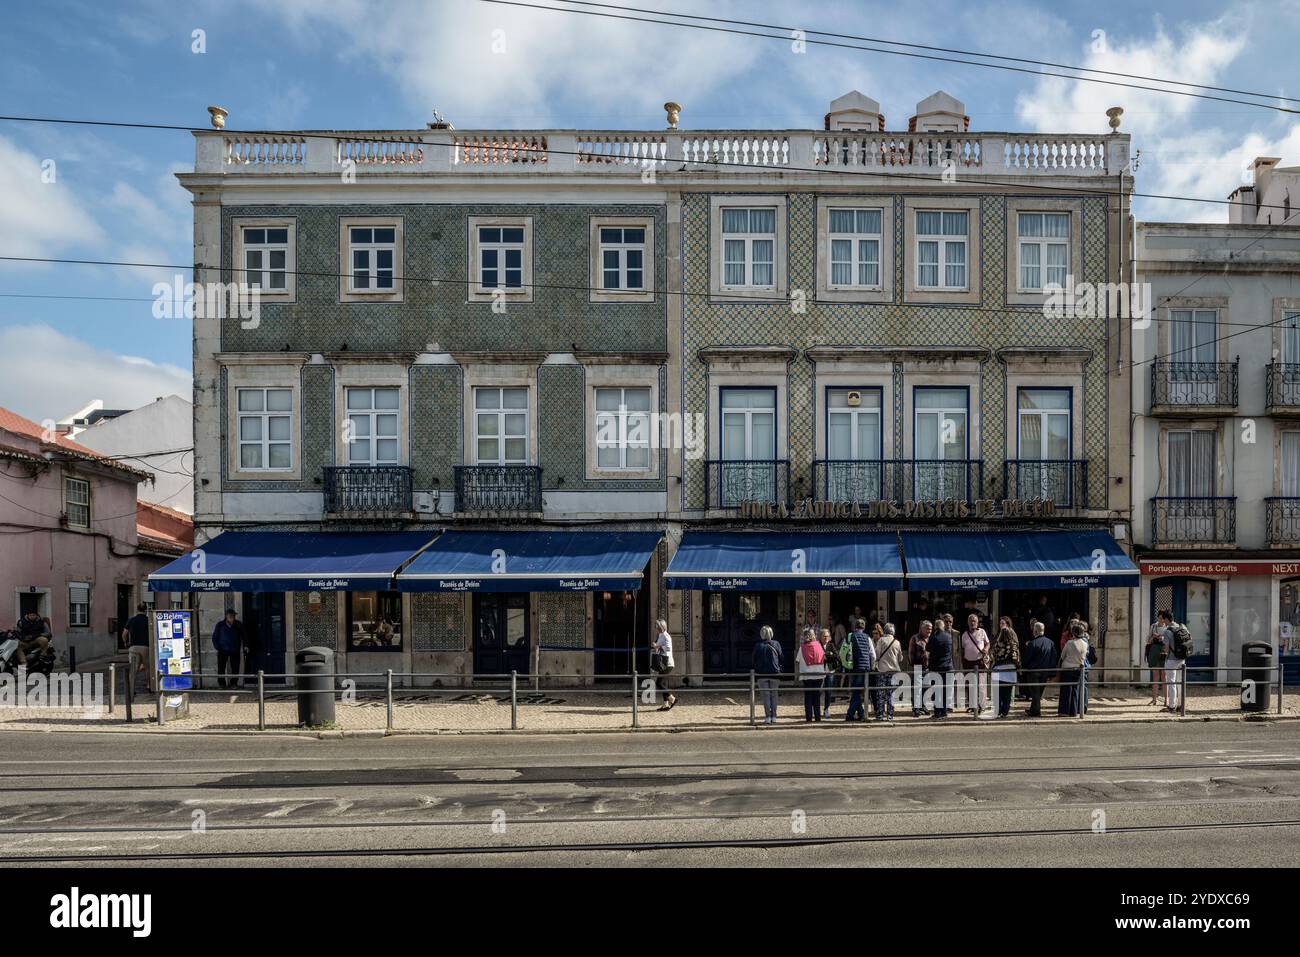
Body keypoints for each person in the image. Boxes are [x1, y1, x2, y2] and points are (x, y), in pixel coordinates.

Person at [1021, 621, 1057, 717]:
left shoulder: (1032, 643)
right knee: (1038, 693)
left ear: (1035, 631)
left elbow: (1027, 659)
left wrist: (1023, 669)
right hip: (1045, 672)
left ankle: (1036, 712)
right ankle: (1033, 710)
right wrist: (1052, 673)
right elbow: (1053, 658)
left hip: (1033, 672)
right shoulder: (1050, 643)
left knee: (1035, 693)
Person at [844, 618, 875, 722]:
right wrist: (871, 666)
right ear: (864, 627)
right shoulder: (868, 638)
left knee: (855, 691)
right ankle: (859, 715)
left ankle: (852, 714)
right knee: (857, 691)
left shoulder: (850, 636)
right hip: (864, 668)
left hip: (852, 666)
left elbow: (843, 650)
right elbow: (873, 655)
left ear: (855, 627)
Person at [989, 618, 1020, 718]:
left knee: (999, 692)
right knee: (1007, 692)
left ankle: (999, 711)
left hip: (999, 669)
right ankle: (1004, 712)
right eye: (1000, 623)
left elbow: (993, 654)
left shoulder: (998, 642)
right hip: (1008, 670)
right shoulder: (1013, 642)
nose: (1001, 625)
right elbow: (1016, 655)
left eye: (1003, 623)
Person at [121, 602, 154, 695]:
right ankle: (150, 686)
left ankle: (131, 689)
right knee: (148, 668)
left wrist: (125, 642)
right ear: (146, 610)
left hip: (133, 647)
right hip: (146, 647)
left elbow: (124, 633)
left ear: (137, 610)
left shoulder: (131, 620)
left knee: (133, 669)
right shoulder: (149, 620)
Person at [753, 624, 783, 725]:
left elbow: (754, 660)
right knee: (774, 695)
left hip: (761, 674)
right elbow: (781, 657)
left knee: (765, 696)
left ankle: (767, 717)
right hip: (775, 673)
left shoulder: (758, 646)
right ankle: (774, 716)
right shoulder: (776, 644)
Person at [1057, 621, 1089, 716]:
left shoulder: (1070, 643)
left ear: (1074, 633)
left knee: (1066, 690)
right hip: (1078, 669)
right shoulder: (1085, 644)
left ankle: (1064, 711)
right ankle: (1073, 711)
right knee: (1075, 690)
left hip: (1067, 669)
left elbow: (1063, 656)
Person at [873, 622, 903, 721]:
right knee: (891, 694)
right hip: (893, 671)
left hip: (882, 671)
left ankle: (880, 715)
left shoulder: (881, 640)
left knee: (880, 694)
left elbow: (876, 655)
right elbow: (900, 658)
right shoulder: (897, 642)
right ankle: (890, 715)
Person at [960, 613, 990, 713]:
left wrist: (986, 649)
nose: (972, 623)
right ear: (968, 622)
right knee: (970, 685)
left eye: (974, 621)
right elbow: (963, 649)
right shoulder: (964, 635)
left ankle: (982, 706)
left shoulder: (982, 631)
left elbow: (987, 643)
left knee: (981, 685)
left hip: (980, 661)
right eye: (971, 621)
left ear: (977, 622)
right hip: (968, 663)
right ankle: (972, 705)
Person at [1159, 610, 1189, 712]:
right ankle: (1181, 705)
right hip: (1182, 659)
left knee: (1171, 682)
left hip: (1171, 660)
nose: (1162, 621)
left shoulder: (1167, 631)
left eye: (1163, 619)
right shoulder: (1182, 627)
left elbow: (1166, 649)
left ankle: (1171, 706)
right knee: (1181, 682)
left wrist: (1163, 650)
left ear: (1166, 619)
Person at [796, 627, 827, 722]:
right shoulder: (819, 646)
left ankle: (808, 717)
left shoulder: (802, 648)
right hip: (818, 674)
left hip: (807, 675)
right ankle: (818, 717)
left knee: (808, 696)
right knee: (817, 696)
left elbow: (797, 660)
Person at [927, 616, 954, 719]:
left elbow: (928, 648)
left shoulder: (933, 637)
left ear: (935, 627)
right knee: (945, 691)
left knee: (936, 691)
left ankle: (937, 713)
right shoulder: (948, 636)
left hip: (936, 667)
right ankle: (944, 712)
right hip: (947, 667)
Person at [211, 608, 244, 690]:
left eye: (233, 616)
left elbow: (244, 635)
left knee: (235, 667)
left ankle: (234, 683)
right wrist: (217, 647)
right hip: (223, 649)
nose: (232, 617)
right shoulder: (220, 625)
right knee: (221, 667)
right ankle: (222, 684)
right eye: (230, 615)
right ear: (226, 616)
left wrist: (246, 645)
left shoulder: (238, 624)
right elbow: (214, 637)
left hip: (235, 649)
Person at [650, 618, 676, 711]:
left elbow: (668, 648)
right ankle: (665, 704)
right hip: (662, 663)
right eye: (656, 626)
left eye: (658, 626)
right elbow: (658, 647)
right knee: (662, 683)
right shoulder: (660, 635)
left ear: (662, 626)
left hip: (667, 663)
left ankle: (672, 699)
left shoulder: (666, 636)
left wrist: (657, 646)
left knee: (659, 683)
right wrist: (655, 645)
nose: (657, 627)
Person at [909, 621, 932, 716]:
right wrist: (913, 664)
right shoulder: (915, 638)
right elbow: (910, 653)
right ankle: (916, 708)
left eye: (930, 628)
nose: (929, 630)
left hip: (928, 667)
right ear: (922, 629)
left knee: (926, 688)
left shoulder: (931, 639)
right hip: (918, 667)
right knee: (917, 688)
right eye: (927, 628)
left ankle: (922, 705)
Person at [820, 627, 840, 715]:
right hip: (820, 671)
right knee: (818, 691)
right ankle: (816, 709)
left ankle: (826, 709)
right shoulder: (818, 645)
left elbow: (836, 655)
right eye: (824, 636)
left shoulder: (831, 645)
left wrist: (827, 655)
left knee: (828, 691)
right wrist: (829, 655)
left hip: (830, 671)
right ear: (820, 637)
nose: (826, 638)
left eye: (827, 636)